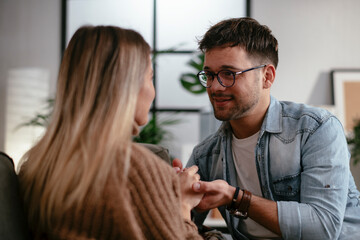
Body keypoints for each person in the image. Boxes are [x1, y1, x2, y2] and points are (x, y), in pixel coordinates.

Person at [181, 17, 360, 239]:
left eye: (229, 73)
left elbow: (322, 229)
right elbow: (176, 226)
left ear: (267, 76)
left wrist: (235, 197)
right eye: (209, 75)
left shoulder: (315, 129)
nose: (215, 86)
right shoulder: (206, 154)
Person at [18, 25, 204, 239]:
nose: (153, 91)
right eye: (150, 78)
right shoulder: (133, 167)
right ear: (128, 87)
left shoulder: (36, 163)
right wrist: (181, 205)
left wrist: (157, 190)